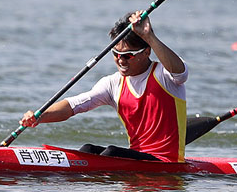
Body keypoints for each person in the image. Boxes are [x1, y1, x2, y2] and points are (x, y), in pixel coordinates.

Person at [19, 11, 188, 162]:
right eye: (116, 54)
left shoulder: (164, 75)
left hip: (166, 162)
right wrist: (39, 117)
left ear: (146, 52)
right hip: (136, 159)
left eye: (128, 55)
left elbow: (181, 72)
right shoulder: (112, 83)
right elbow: (73, 106)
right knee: (88, 150)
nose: (121, 61)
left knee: (110, 153)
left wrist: (149, 36)